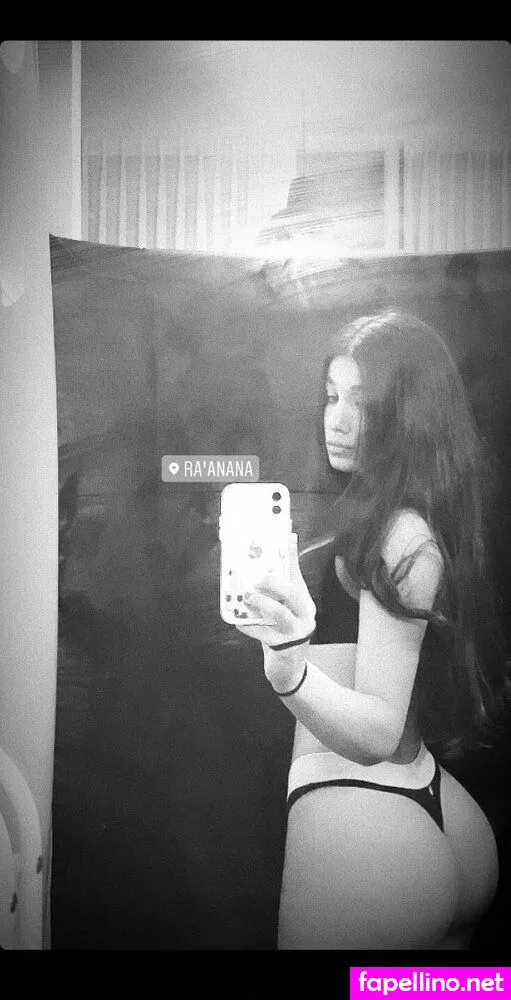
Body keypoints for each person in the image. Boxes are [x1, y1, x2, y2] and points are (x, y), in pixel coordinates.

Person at [233, 310, 508, 950]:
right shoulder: (406, 521)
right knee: (455, 992)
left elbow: (380, 730)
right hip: (428, 810)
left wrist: (289, 671)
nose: (336, 418)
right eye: (332, 396)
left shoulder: (400, 533)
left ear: (406, 413)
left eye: (361, 401)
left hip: (363, 819)